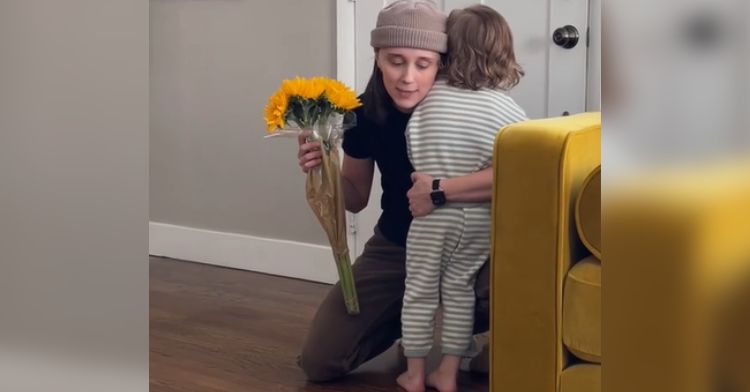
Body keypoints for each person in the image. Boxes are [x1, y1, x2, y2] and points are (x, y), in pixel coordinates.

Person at [295, 0, 491, 384]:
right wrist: (324, 169)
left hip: (473, 243)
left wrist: (439, 192)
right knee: (320, 362)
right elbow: (355, 197)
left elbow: (518, 174)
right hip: (399, 244)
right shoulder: (365, 113)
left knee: (517, 279)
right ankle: (407, 321)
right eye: (395, 60)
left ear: (442, 63)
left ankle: (478, 328)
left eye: (423, 63)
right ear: (377, 58)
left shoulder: (470, 105)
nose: (407, 77)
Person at [397, 5, 527, 392]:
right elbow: (522, 165)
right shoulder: (510, 112)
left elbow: (410, 144)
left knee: (419, 291)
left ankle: (415, 374)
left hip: (431, 217)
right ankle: (449, 374)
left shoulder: (428, 96)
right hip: (477, 219)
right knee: (459, 291)